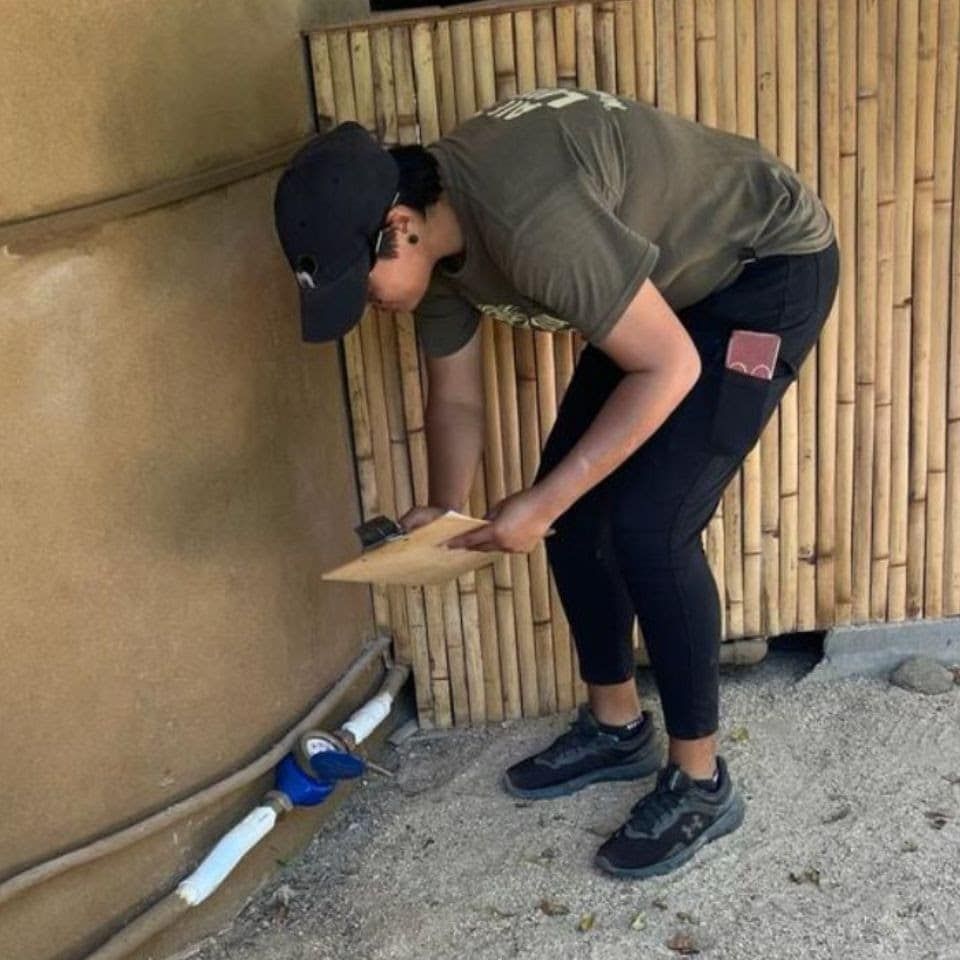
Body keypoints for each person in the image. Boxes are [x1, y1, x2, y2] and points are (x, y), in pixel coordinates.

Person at [274, 87, 839, 880]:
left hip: (760, 274)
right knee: (576, 522)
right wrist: (444, 506)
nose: (365, 306)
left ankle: (702, 782)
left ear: (397, 228)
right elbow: (457, 398)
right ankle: (617, 730)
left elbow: (671, 365)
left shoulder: (531, 220)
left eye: (359, 286)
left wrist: (541, 501)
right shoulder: (437, 250)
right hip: (657, 290)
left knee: (650, 527)